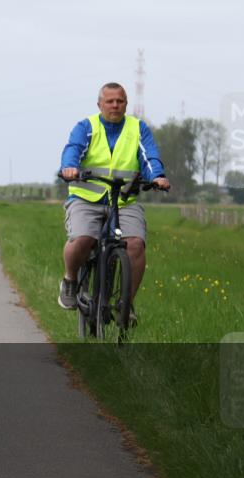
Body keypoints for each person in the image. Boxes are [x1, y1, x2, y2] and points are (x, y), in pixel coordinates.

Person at [58, 82, 169, 322]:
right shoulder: (86, 127)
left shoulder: (138, 128)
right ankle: (69, 280)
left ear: (126, 104)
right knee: (83, 239)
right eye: (110, 101)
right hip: (87, 198)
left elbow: (149, 156)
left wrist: (157, 176)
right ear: (100, 104)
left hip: (124, 200)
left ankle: (125, 305)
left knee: (136, 245)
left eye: (120, 101)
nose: (115, 105)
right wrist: (69, 167)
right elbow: (73, 149)